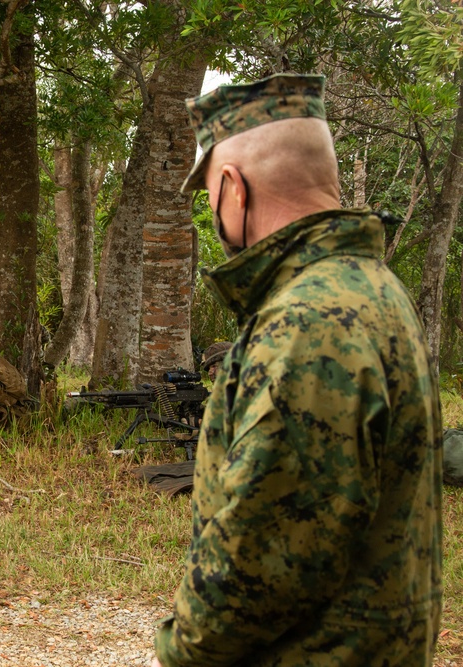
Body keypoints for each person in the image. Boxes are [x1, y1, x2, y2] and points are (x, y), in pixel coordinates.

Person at [153, 73, 443, 666]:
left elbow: (258, 566)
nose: (212, 210)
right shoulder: (373, 288)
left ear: (233, 188)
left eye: (209, 193)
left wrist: (176, 652)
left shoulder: (307, 324)